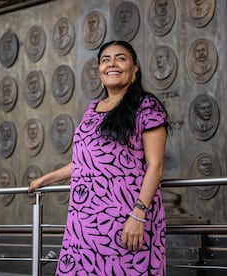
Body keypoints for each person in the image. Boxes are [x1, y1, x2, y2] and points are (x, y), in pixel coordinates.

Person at [29, 40, 169, 275]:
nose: (112, 64)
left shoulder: (146, 106)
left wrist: (138, 215)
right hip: (83, 221)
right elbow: (84, 163)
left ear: (134, 69)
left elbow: (156, 166)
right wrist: (45, 180)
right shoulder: (93, 108)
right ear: (99, 70)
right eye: (106, 60)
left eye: (121, 58)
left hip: (126, 219)